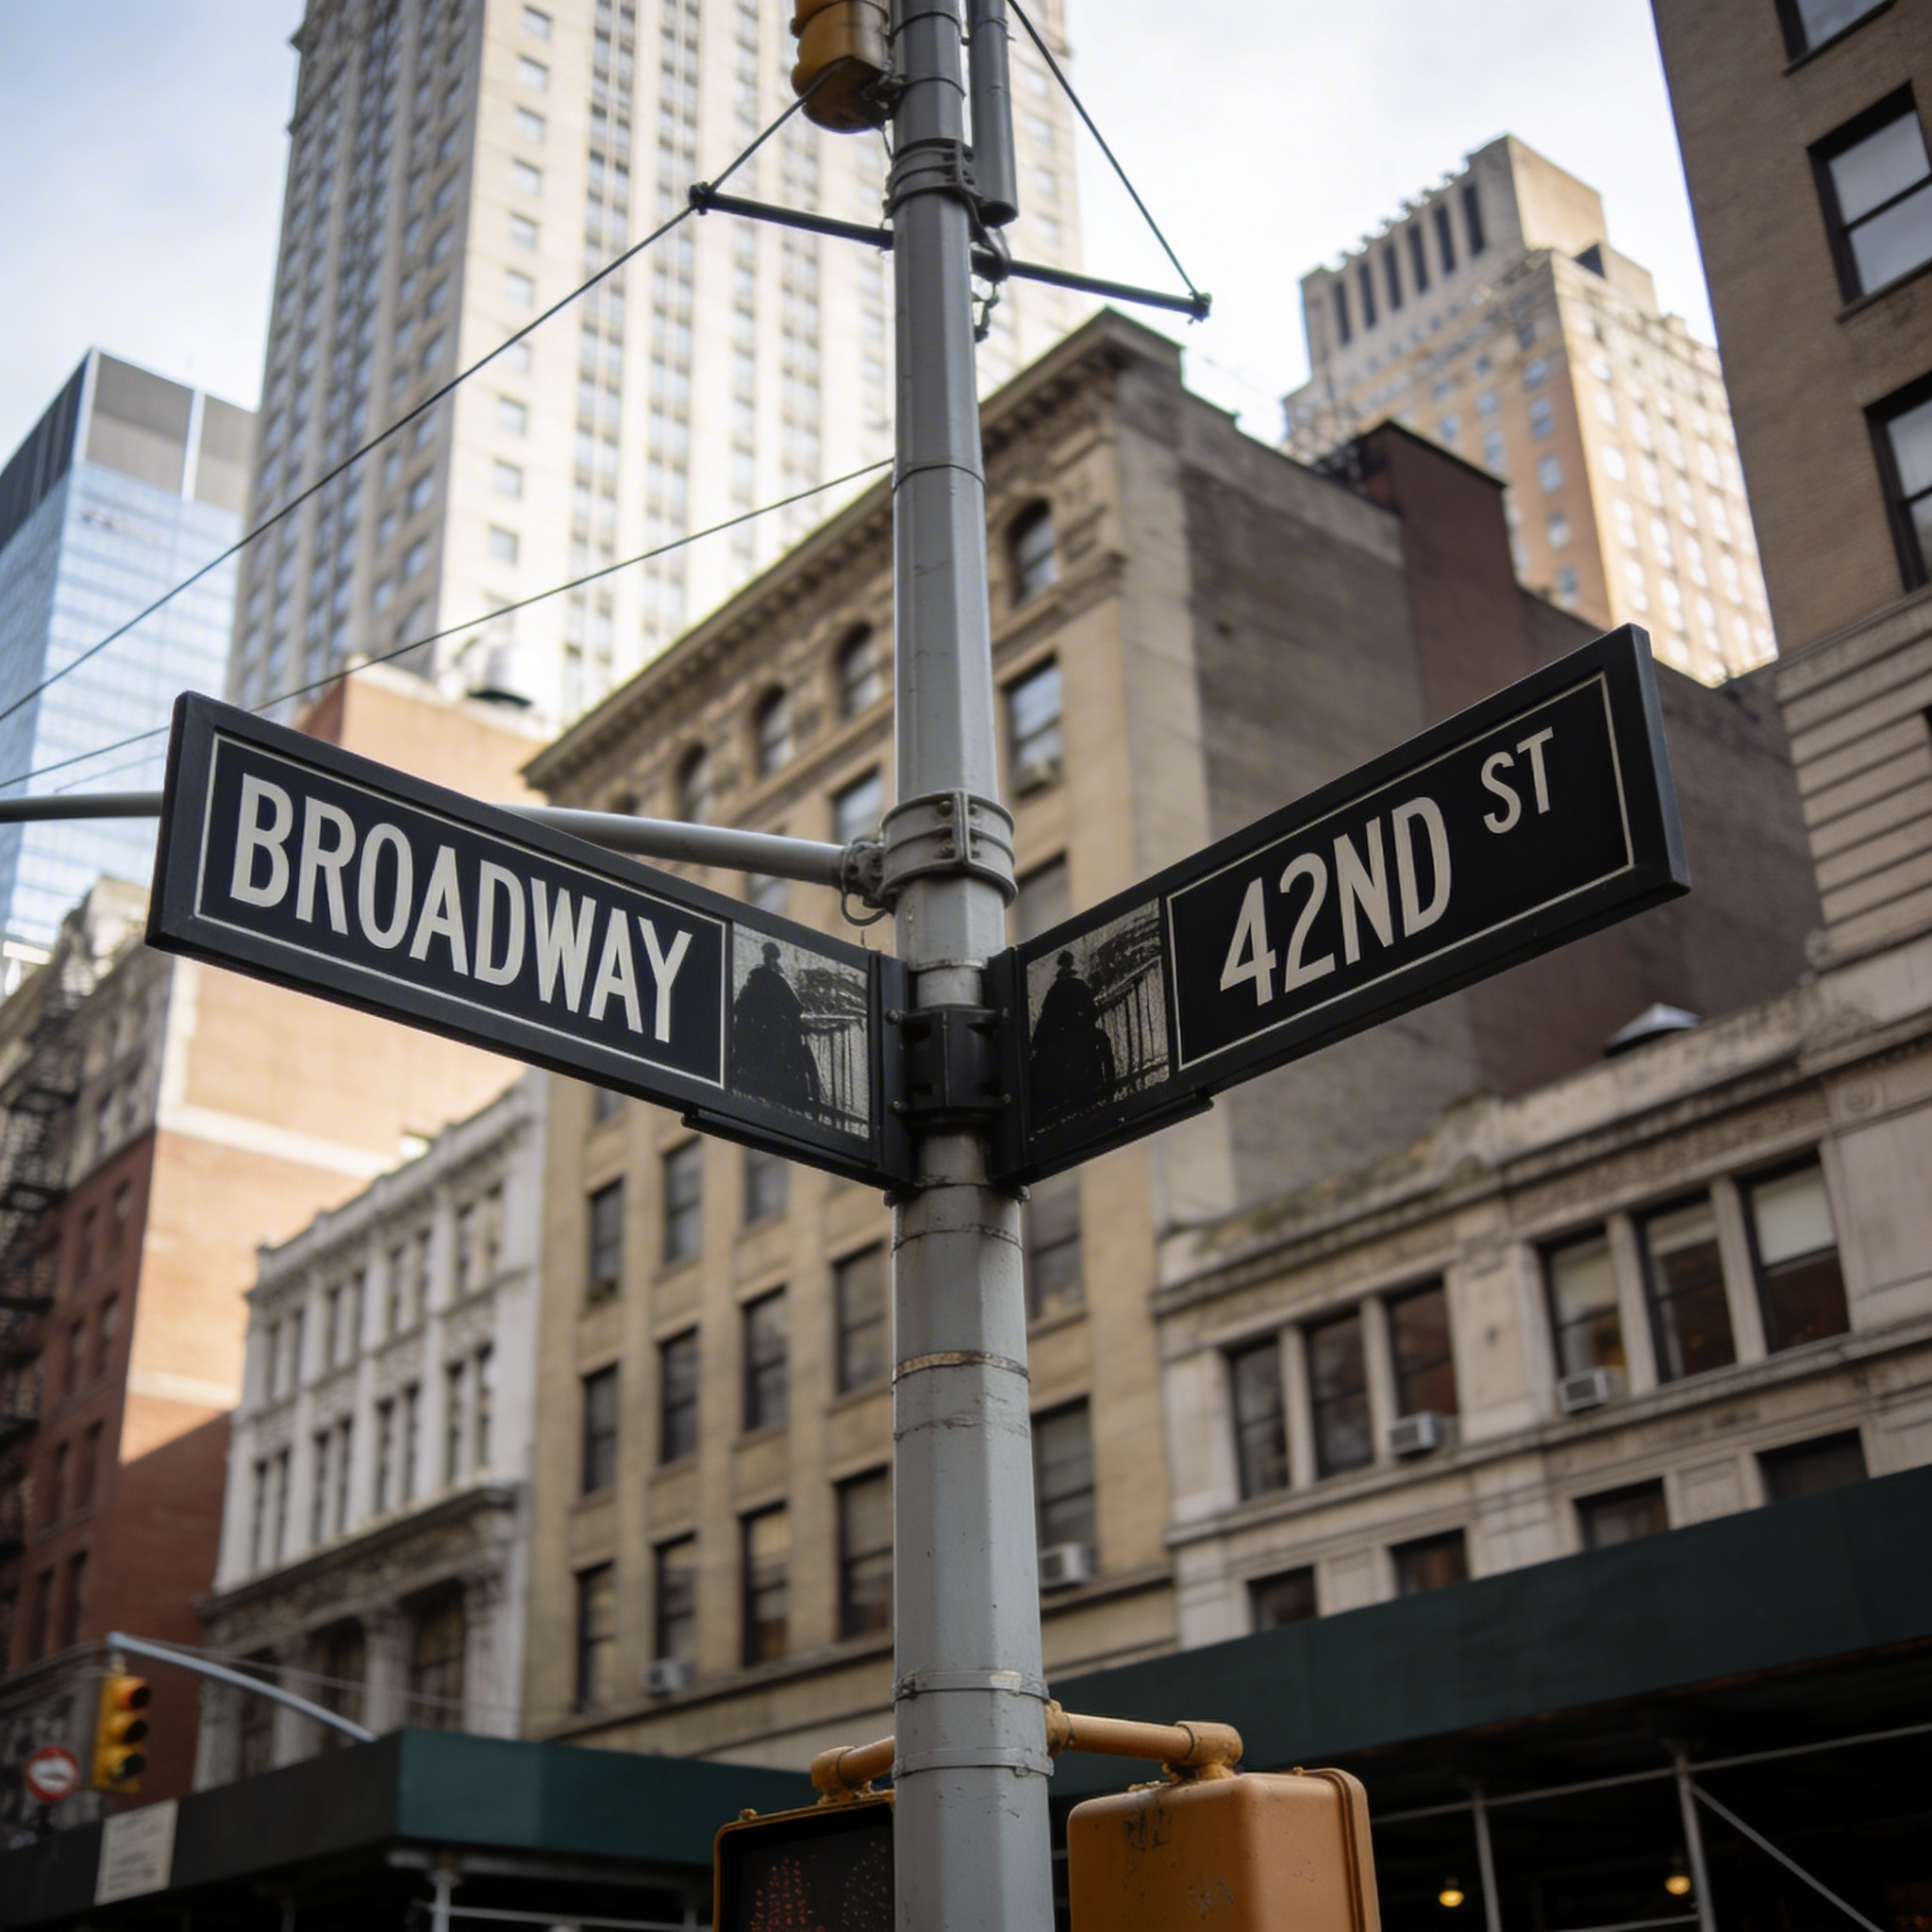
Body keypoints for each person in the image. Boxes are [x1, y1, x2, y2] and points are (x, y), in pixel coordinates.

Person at [731, 941, 824, 1115]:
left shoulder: (769, 978)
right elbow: (795, 1007)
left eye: (771, 957)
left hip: (766, 1032)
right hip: (765, 1031)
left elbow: (741, 1005)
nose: (770, 960)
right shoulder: (769, 978)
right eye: (770, 957)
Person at [1029, 950, 1115, 1125]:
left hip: (1064, 1042)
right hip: (1084, 1036)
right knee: (1102, 1044)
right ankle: (1108, 1089)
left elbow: (1045, 1023)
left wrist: (1037, 1044)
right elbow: (1093, 1012)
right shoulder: (1080, 986)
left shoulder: (1054, 992)